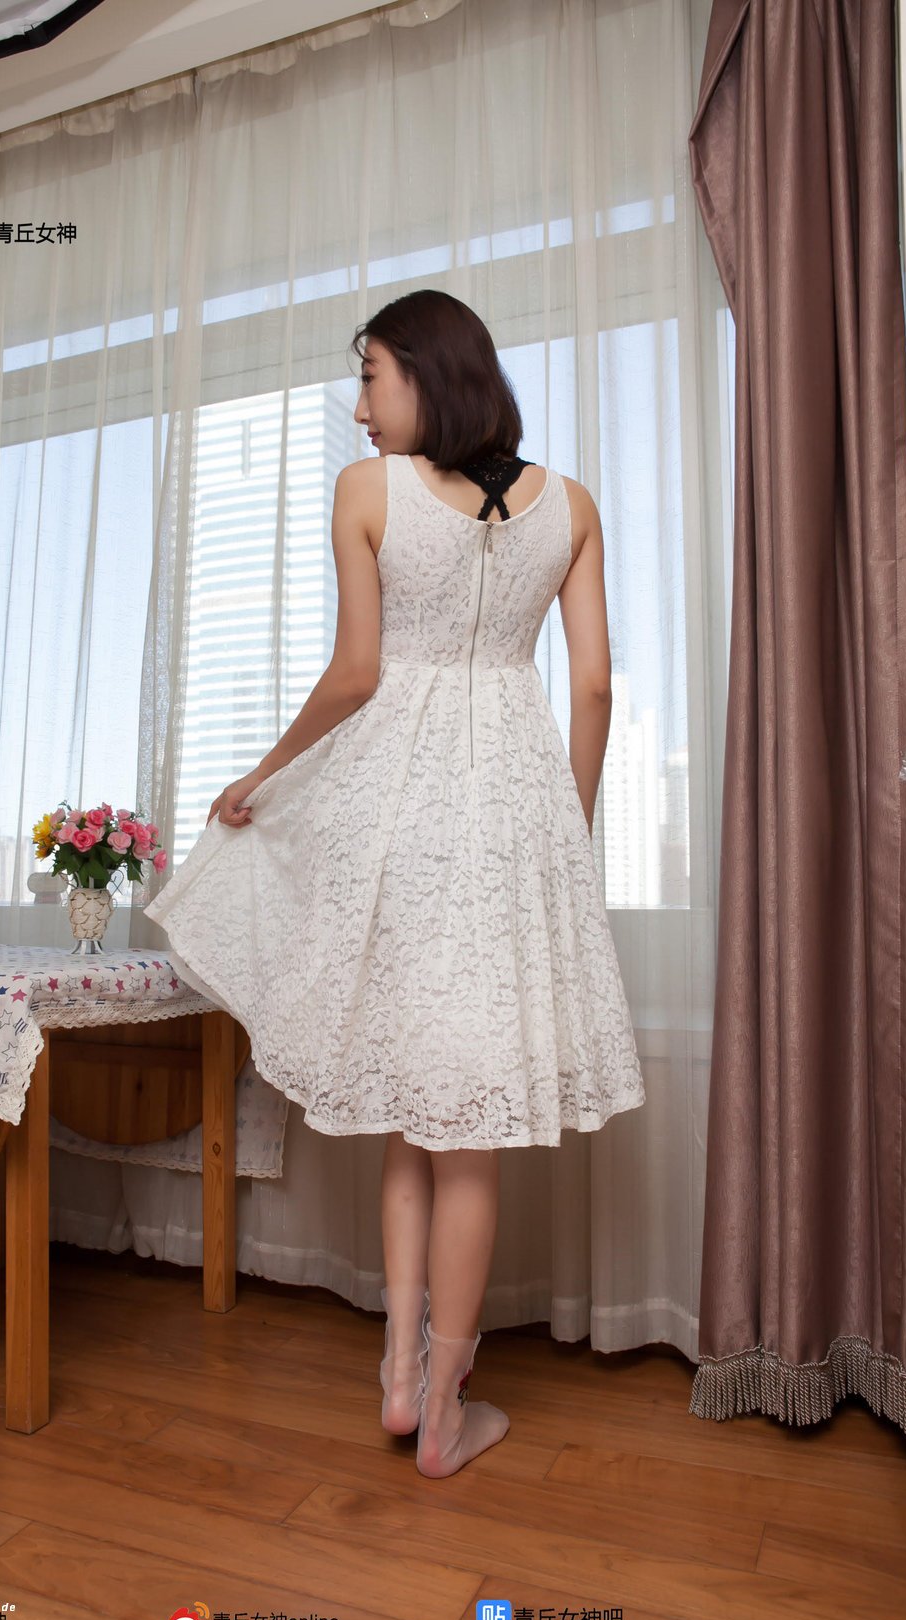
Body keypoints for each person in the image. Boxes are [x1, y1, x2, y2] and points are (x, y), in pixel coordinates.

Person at [146, 288, 646, 1479]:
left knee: (415, 1125)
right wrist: (566, 833)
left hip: (398, 821)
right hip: (512, 815)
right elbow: (592, 689)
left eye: (368, 375)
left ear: (425, 371)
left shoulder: (366, 493)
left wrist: (261, 773)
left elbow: (357, 673)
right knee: (463, 1136)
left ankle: (398, 1378)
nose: (357, 403)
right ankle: (444, 1412)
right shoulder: (571, 506)